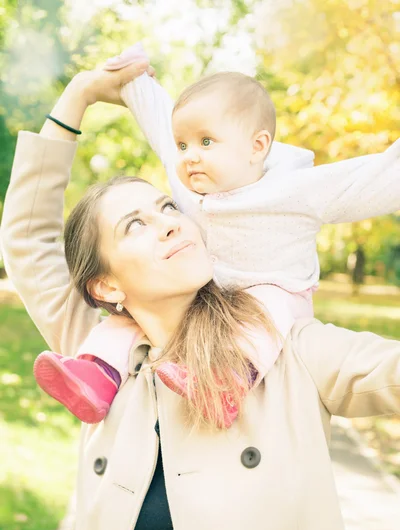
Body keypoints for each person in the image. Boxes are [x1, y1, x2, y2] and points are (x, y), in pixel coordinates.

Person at [2, 55, 400, 530]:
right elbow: (27, 242)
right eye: (135, 225)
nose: (167, 222)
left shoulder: (282, 346)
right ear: (107, 287)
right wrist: (78, 96)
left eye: (167, 206)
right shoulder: (98, 358)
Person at [32, 42, 400, 426]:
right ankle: (96, 373)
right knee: (122, 323)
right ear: (104, 287)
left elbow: (375, 180)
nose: (189, 155)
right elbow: (160, 125)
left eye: (206, 142)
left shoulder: (299, 190)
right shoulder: (193, 179)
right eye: (183, 145)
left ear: (257, 147)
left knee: (263, 317)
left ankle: (227, 382)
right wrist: (132, 80)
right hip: (210, 300)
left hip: (275, 289)